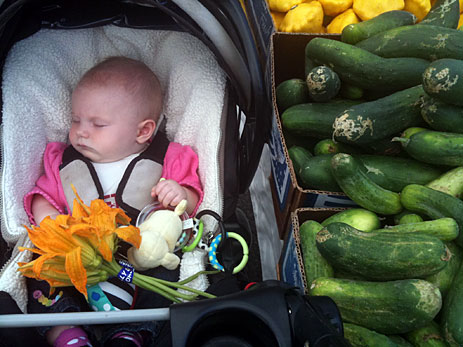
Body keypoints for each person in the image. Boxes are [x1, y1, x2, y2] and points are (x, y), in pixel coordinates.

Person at [23, 56, 203, 347]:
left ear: (143, 131)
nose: (81, 131)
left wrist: (180, 194)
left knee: (166, 277)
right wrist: (52, 223)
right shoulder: (63, 163)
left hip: (133, 265)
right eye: (75, 120)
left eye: (98, 124)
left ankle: (130, 333)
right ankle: (68, 333)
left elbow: (193, 200)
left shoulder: (166, 158)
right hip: (78, 262)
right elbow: (41, 198)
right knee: (42, 274)